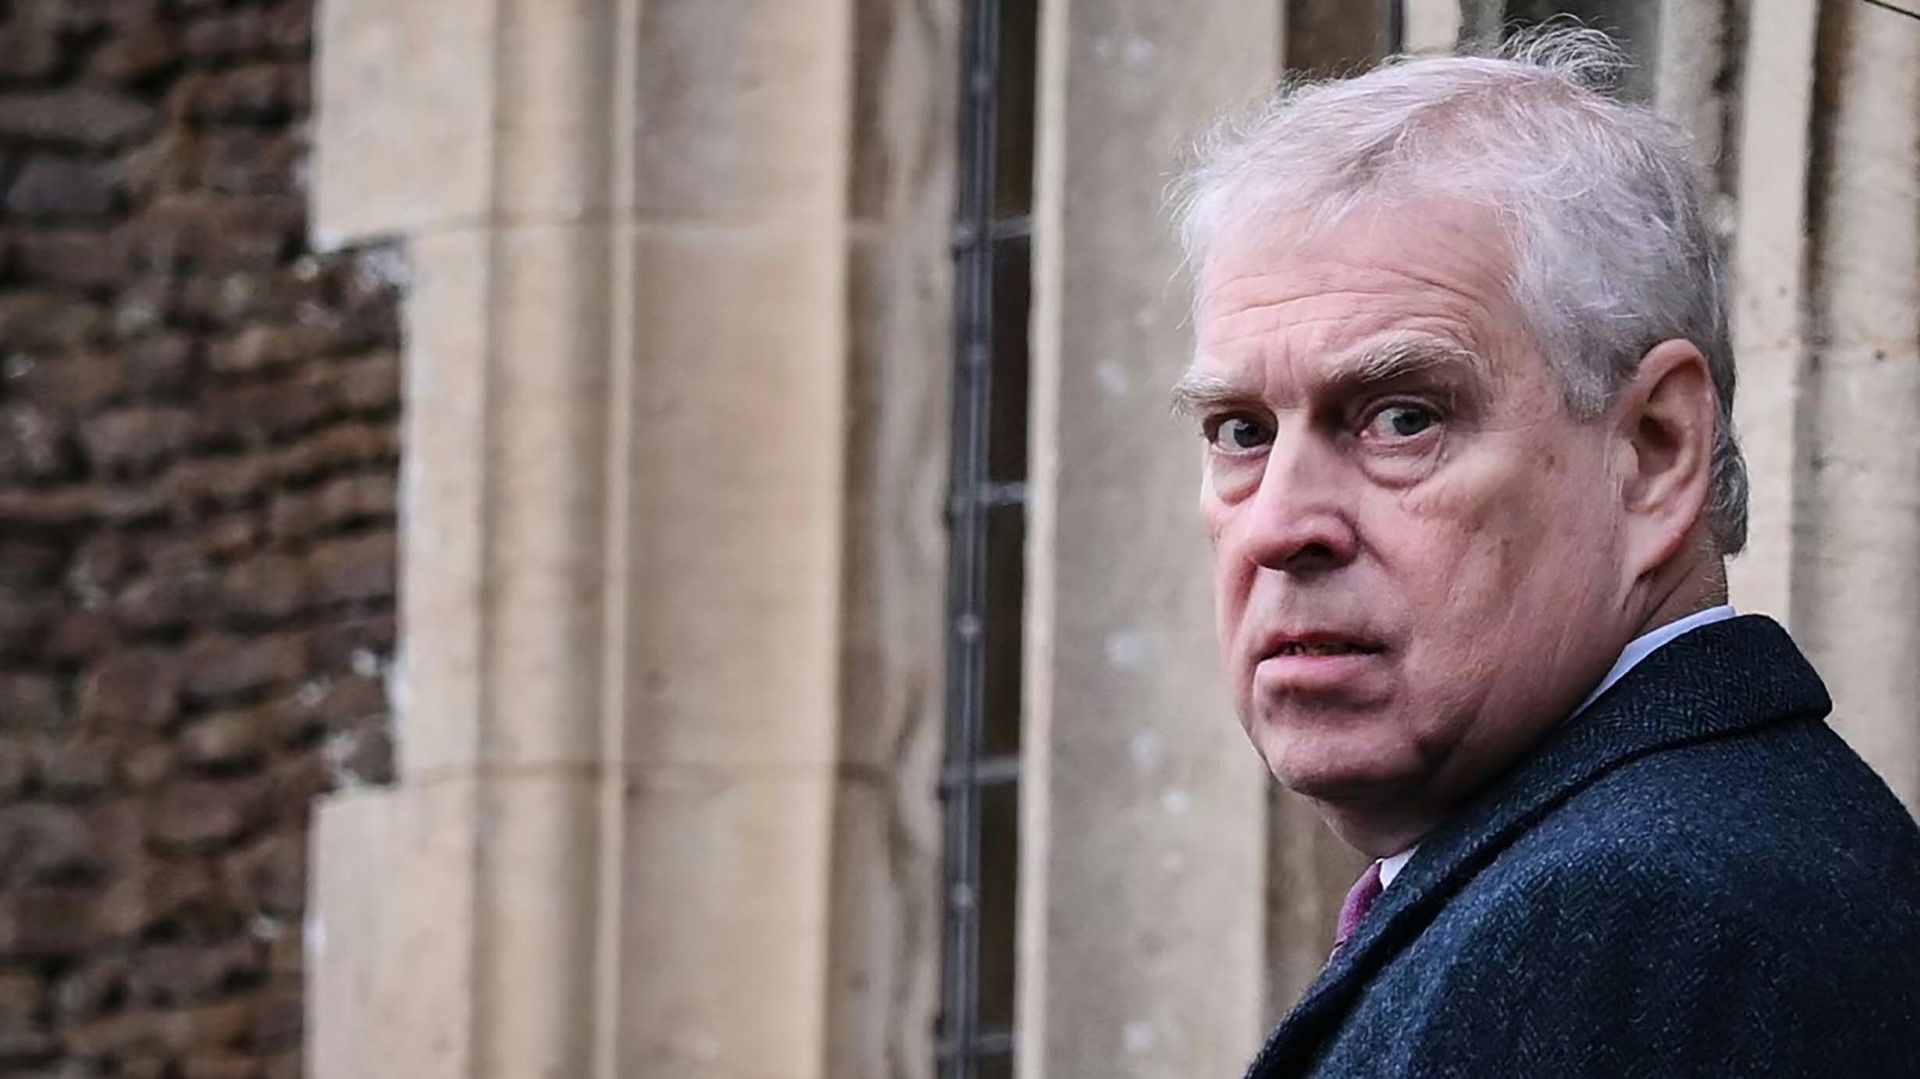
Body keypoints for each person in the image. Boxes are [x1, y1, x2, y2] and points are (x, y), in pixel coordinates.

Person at [1171, 27, 1920, 1077]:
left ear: (1655, 449)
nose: (1280, 524)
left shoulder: (1635, 916)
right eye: (1242, 431)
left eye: (1401, 417)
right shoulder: (1641, 871)